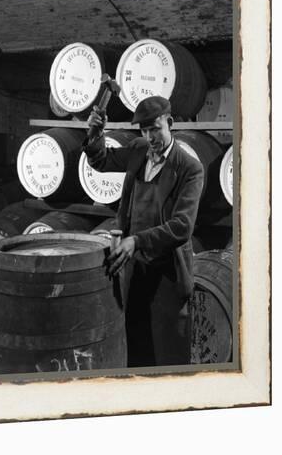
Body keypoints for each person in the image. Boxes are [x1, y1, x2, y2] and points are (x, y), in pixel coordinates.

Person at [84, 96, 204, 367]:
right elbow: (102, 161)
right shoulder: (138, 150)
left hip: (168, 275)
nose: (150, 136)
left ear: (169, 123)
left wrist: (136, 240)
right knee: (136, 349)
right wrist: (95, 133)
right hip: (136, 271)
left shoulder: (189, 168)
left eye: (155, 128)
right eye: (145, 130)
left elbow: (182, 226)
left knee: (168, 354)